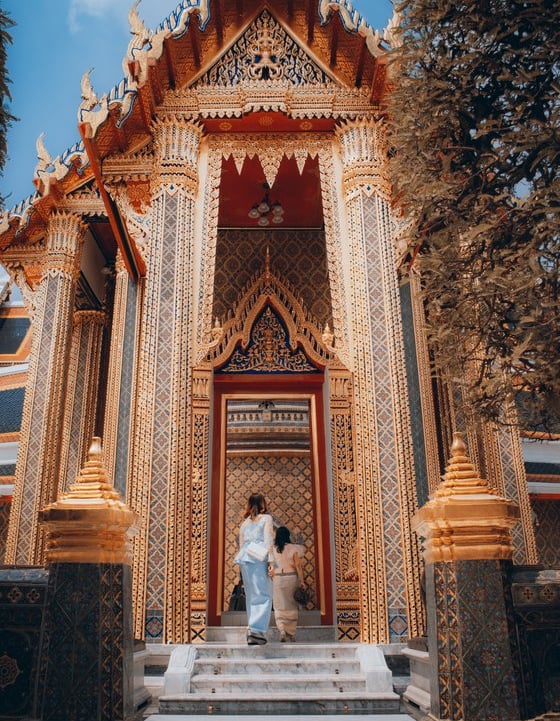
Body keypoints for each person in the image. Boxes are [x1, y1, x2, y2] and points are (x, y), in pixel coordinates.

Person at [234, 492, 274, 645]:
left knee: (252, 596)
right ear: (263, 503)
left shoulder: (244, 523)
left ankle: (253, 629)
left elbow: (241, 545)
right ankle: (257, 631)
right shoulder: (266, 519)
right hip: (259, 558)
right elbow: (268, 540)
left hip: (245, 559)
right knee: (264, 595)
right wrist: (271, 562)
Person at [271, 526, 305, 642]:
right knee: (291, 605)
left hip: (277, 579)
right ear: (287, 536)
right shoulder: (294, 548)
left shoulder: (273, 549)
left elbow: (270, 567)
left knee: (279, 605)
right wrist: (302, 581)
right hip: (290, 578)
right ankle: (291, 633)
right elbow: (298, 566)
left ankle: (282, 630)